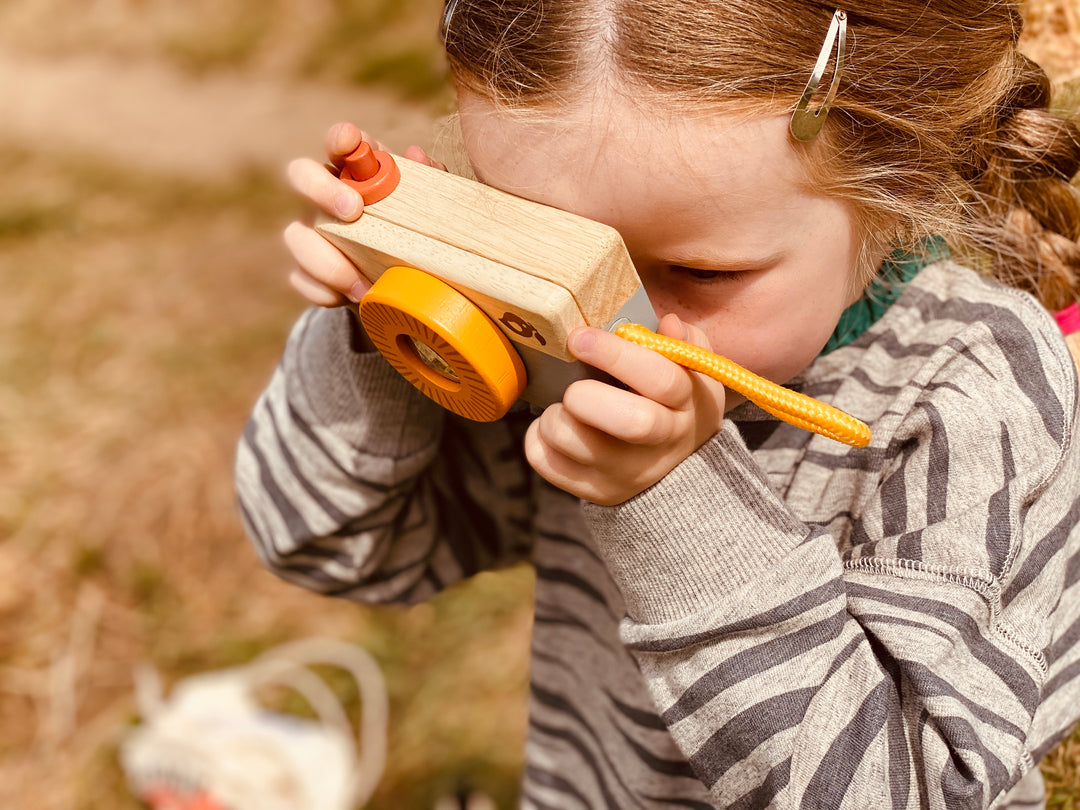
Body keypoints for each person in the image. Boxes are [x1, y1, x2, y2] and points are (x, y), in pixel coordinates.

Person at [235, 1, 1080, 807]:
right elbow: (327, 545)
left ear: (904, 181)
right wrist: (398, 324)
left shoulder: (969, 387)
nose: (616, 323)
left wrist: (675, 499)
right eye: (548, 247)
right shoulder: (559, 352)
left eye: (703, 272)